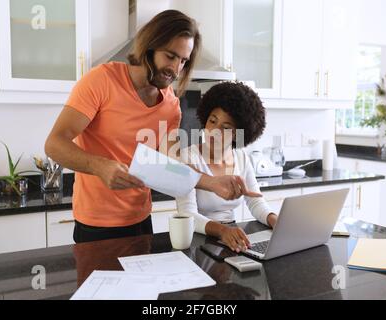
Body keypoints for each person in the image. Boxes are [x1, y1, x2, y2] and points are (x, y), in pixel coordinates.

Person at [44, 10, 260, 243]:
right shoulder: (100, 81)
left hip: (141, 220)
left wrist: (212, 183)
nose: (176, 69)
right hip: (96, 224)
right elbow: (54, 144)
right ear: (149, 46)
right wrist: (99, 166)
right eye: (170, 56)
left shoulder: (171, 106)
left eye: (183, 61)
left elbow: (171, 165)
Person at [176, 82, 279, 253]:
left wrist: (274, 220)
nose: (214, 131)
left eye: (225, 128)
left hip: (232, 237)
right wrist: (223, 231)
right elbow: (188, 214)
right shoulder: (188, 157)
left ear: (237, 134)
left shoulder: (241, 158)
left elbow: (255, 201)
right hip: (200, 239)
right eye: (212, 121)